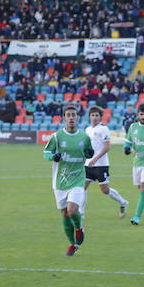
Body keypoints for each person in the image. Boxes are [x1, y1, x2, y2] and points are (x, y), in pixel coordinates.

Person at [43, 105, 94, 256]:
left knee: (72, 211)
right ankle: (72, 244)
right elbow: (46, 152)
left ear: (77, 118)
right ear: (64, 118)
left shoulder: (84, 137)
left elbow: (88, 152)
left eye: (74, 115)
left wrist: (90, 153)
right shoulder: (57, 136)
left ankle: (79, 228)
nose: (71, 118)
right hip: (60, 181)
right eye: (68, 115)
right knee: (64, 214)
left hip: (78, 178)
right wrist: (53, 157)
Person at [82, 106, 128, 219]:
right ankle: (80, 212)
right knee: (82, 187)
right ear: (89, 116)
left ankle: (122, 202)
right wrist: (85, 159)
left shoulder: (103, 129)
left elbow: (107, 147)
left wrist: (94, 159)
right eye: (92, 115)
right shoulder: (87, 130)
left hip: (101, 164)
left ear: (100, 117)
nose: (94, 117)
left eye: (97, 115)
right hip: (88, 164)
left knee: (104, 190)